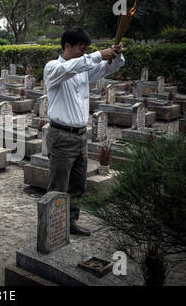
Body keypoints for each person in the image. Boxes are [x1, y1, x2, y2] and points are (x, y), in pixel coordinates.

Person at [44, 27, 125, 236]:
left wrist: (116, 53)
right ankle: (52, 231)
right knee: (57, 188)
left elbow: (110, 67)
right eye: (81, 48)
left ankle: (70, 223)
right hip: (61, 136)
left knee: (78, 185)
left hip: (80, 136)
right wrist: (99, 54)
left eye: (86, 49)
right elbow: (75, 66)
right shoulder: (53, 68)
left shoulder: (83, 71)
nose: (84, 53)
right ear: (67, 46)